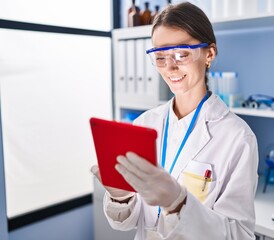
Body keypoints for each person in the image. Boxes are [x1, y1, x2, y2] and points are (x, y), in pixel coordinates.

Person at [92, 2, 259, 239]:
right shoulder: (144, 124)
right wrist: (121, 196)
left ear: (209, 54)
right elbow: (128, 222)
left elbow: (239, 235)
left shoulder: (238, 137)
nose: (170, 66)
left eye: (181, 53)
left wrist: (178, 203)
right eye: (160, 57)